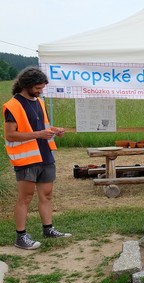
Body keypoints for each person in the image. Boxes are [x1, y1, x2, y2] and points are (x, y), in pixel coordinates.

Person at [3, 67, 71, 250]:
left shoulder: (39, 102)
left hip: (45, 155)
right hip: (26, 159)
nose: (41, 91)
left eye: (42, 88)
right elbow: (10, 135)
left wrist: (55, 130)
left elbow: (43, 127)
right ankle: (21, 237)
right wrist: (38, 134)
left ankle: (48, 229)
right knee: (25, 197)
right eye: (38, 88)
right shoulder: (13, 106)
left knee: (47, 195)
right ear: (26, 85)